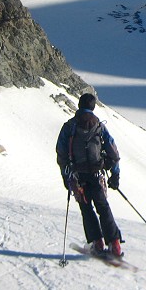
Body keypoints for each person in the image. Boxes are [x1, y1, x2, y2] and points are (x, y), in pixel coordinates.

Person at [56, 92, 123, 257]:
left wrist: (66, 176)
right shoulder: (99, 126)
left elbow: (61, 152)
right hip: (96, 174)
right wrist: (115, 175)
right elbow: (113, 151)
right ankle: (115, 245)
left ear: (79, 105)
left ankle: (97, 243)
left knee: (86, 208)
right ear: (93, 107)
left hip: (78, 176)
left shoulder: (69, 126)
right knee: (103, 207)